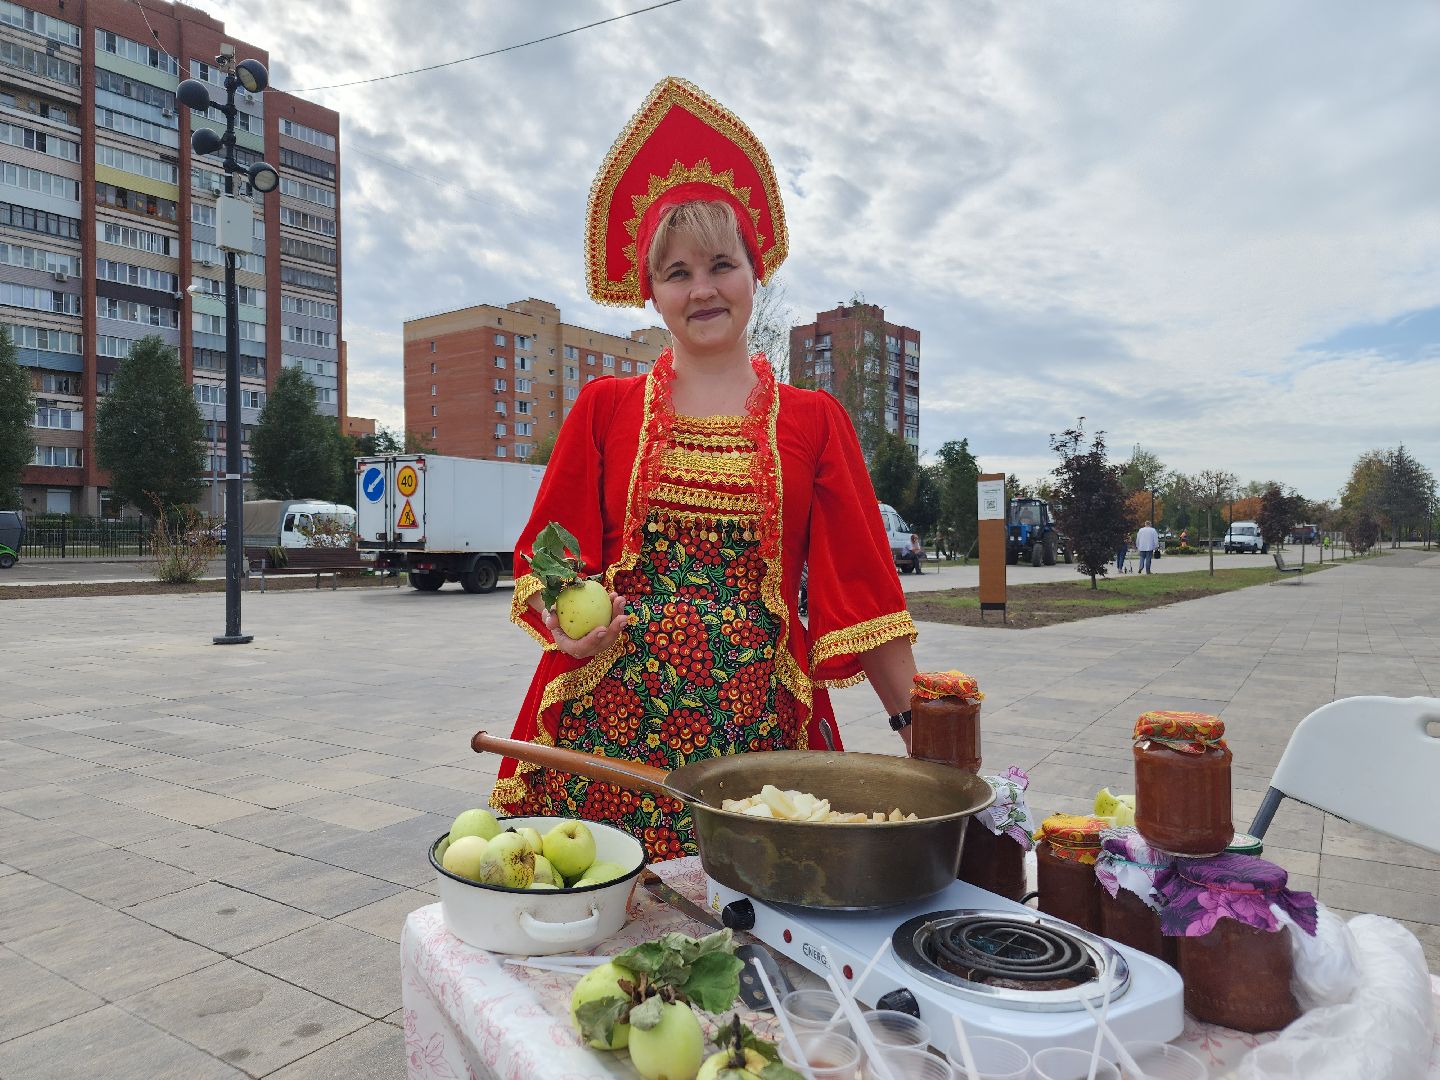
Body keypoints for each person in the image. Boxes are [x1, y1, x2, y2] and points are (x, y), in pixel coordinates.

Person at [489, 77, 919, 863]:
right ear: (651, 293)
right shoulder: (605, 408)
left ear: (755, 275)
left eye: (720, 264)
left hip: (757, 750)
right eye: (677, 273)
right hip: (608, 739)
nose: (702, 289)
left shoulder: (814, 421)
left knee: (751, 950)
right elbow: (550, 558)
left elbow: (863, 592)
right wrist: (564, 625)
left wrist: (921, 731)